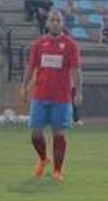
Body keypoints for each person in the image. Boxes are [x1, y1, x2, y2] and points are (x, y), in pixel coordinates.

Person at [21, 9, 83, 181]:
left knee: (59, 134)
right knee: (35, 133)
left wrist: (78, 91)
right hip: (40, 96)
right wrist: (24, 87)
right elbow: (30, 67)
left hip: (61, 98)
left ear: (62, 23)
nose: (55, 23)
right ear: (47, 23)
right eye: (52, 20)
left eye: (58, 20)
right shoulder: (39, 44)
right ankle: (43, 159)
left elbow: (76, 70)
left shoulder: (70, 45)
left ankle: (57, 170)